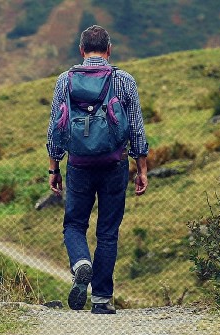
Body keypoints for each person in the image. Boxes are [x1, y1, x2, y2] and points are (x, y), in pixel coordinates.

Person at [46, 25, 149, 314]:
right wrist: (141, 167)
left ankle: (81, 263)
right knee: (107, 231)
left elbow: (56, 127)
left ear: (81, 50)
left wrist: (54, 167)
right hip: (114, 164)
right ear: (109, 49)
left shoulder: (65, 81)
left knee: (74, 224)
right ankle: (102, 300)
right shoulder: (124, 80)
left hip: (78, 164)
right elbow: (137, 129)